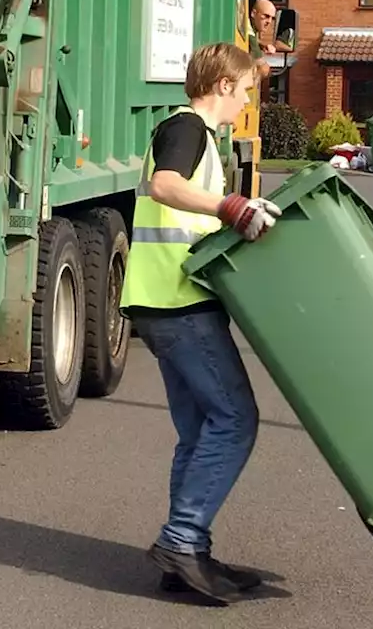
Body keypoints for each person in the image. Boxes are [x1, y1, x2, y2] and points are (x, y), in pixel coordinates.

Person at [121, 42, 282, 605]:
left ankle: (187, 552)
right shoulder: (186, 127)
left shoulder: (199, 137)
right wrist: (230, 207)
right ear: (221, 86)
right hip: (178, 303)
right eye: (242, 91)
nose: (244, 102)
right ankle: (181, 541)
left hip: (165, 301)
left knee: (199, 433)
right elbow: (167, 185)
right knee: (235, 419)